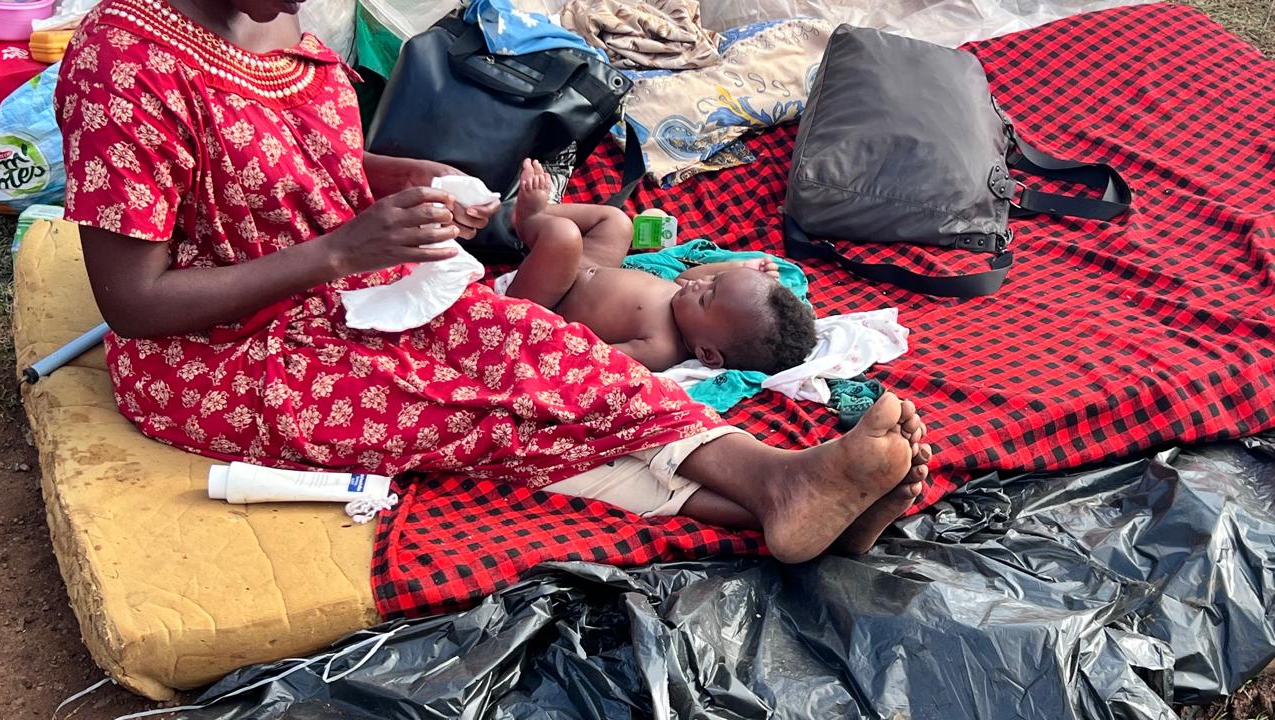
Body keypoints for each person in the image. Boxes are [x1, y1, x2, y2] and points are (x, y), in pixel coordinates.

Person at [54, 0, 932, 563]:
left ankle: (784, 486)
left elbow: (300, 157)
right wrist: (334, 254)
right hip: (221, 353)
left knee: (538, 345)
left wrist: (401, 175)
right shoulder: (124, 56)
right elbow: (134, 305)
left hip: (355, 291)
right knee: (476, 412)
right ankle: (776, 500)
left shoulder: (271, 16)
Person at [504, 159, 816, 374]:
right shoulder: (686, 302)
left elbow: (592, 358)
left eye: (708, 297)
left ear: (707, 353)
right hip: (583, 270)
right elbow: (686, 276)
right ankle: (543, 213)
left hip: (542, 305)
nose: (700, 285)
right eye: (715, 280)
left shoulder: (661, 347)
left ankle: (530, 220)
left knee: (564, 236)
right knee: (617, 222)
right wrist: (736, 265)